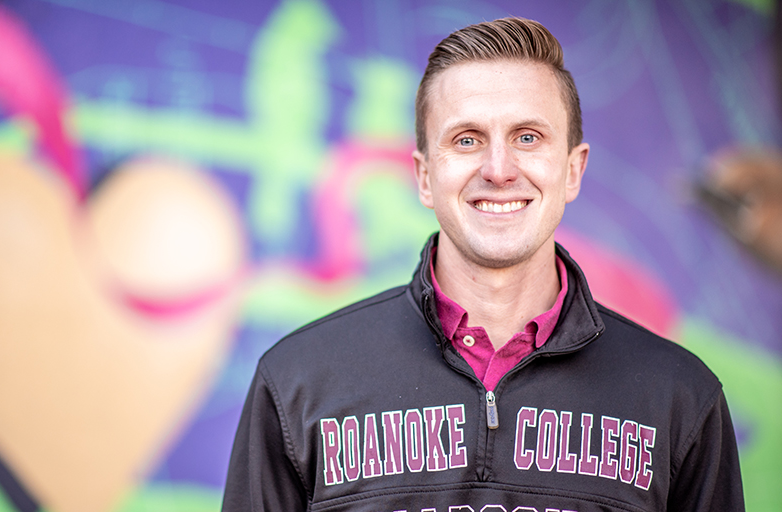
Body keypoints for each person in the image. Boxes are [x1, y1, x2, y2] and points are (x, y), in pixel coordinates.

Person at [222, 17, 744, 512]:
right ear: (425, 177)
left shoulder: (680, 396)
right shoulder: (297, 381)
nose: (498, 169)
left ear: (573, 170)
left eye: (528, 137)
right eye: (467, 139)